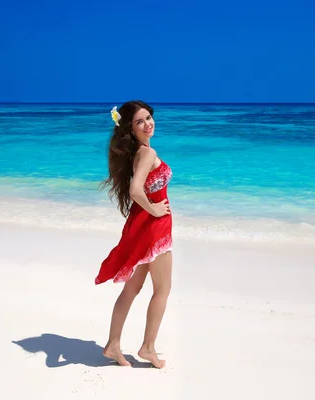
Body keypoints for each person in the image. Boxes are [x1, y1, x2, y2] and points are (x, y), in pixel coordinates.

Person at [95, 100, 173, 369]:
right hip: (153, 227)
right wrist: (155, 210)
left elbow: (137, 189)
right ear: (130, 127)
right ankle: (148, 348)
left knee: (133, 289)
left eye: (149, 117)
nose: (148, 124)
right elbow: (135, 191)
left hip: (143, 226)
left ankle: (113, 344)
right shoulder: (146, 154)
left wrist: (151, 210)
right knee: (162, 289)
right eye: (140, 121)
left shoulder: (140, 152)